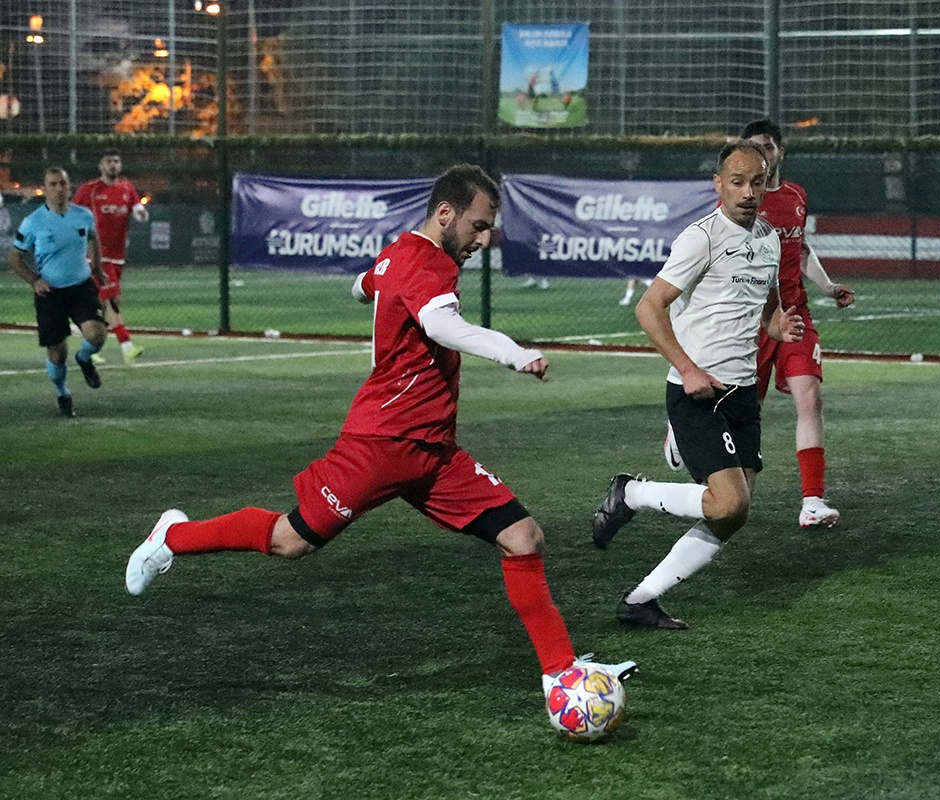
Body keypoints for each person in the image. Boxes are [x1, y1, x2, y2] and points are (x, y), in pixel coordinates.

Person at [124, 164, 636, 695]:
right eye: (479, 226)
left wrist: (373, 288)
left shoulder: (402, 254)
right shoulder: (426, 263)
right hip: (381, 444)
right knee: (290, 541)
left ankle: (560, 673)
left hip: (434, 453)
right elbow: (441, 324)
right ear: (445, 213)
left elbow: (363, 284)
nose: (485, 240)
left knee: (523, 538)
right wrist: (513, 352)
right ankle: (172, 537)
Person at [591, 141, 805, 630]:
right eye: (737, 182)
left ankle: (641, 599)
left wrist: (779, 326)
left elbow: (769, 311)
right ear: (718, 184)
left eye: (757, 182)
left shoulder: (769, 238)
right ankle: (631, 494)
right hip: (697, 393)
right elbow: (648, 307)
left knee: (734, 514)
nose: (747, 192)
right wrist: (687, 369)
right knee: (728, 501)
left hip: (742, 394)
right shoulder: (701, 238)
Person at [738, 118, 855, 528]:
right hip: (753, 322)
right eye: (754, 147)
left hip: (795, 315)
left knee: (810, 398)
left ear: (780, 152)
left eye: (768, 146)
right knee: (745, 413)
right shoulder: (740, 202)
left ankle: (812, 502)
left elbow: (800, 247)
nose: (762, 154)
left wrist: (827, 286)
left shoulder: (796, 196)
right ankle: (730, 492)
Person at [8, 167, 108, 417]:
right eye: (53, 184)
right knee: (57, 353)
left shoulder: (84, 215)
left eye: (63, 183)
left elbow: (94, 238)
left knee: (97, 335)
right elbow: (15, 258)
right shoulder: (33, 222)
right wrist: (34, 280)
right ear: (45, 189)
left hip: (81, 287)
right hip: (50, 293)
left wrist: (97, 268)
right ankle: (63, 392)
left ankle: (84, 358)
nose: (59, 189)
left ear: (69, 186)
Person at [72, 148, 149, 365]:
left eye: (116, 161)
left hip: (118, 255)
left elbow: (137, 208)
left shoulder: (127, 188)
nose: (113, 165)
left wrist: (141, 213)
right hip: (97, 256)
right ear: (101, 166)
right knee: (110, 299)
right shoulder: (89, 189)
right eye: (108, 161)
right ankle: (127, 346)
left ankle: (90, 346)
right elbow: (73, 214)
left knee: (106, 302)